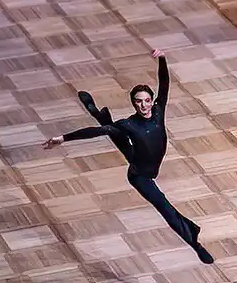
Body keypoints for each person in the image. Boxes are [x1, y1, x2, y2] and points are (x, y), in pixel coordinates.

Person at [42, 51, 213, 264]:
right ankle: (195, 245)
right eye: (138, 102)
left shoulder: (159, 111)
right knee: (164, 206)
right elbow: (96, 133)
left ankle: (96, 111)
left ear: (152, 100)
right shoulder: (130, 123)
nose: (143, 105)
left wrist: (161, 58)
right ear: (134, 103)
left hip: (142, 159)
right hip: (139, 174)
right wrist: (63, 138)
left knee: (121, 139)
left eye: (147, 100)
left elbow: (165, 82)